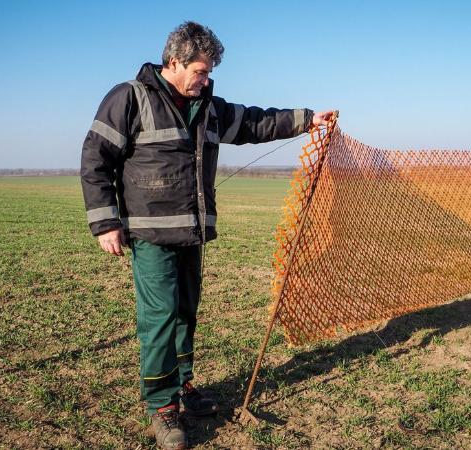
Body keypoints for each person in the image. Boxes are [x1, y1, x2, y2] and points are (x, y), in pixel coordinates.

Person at [80, 21, 334, 449]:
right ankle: (162, 407)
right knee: (160, 319)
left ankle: (183, 387)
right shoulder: (129, 97)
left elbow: (255, 123)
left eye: (210, 70)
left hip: (193, 232)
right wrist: (106, 222)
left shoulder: (209, 105)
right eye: (200, 70)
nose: (207, 78)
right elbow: (95, 159)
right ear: (174, 62)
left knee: (185, 313)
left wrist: (307, 120)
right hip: (151, 235)